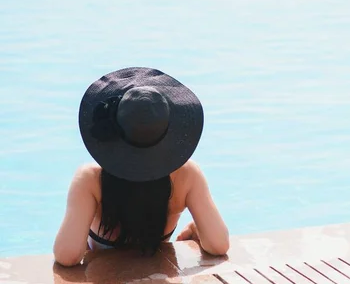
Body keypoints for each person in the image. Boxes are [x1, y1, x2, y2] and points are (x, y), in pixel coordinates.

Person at [53, 67, 229, 267]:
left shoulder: (91, 179)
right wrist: (199, 228)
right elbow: (218, 245)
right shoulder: (187, 175)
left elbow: (66, 255)